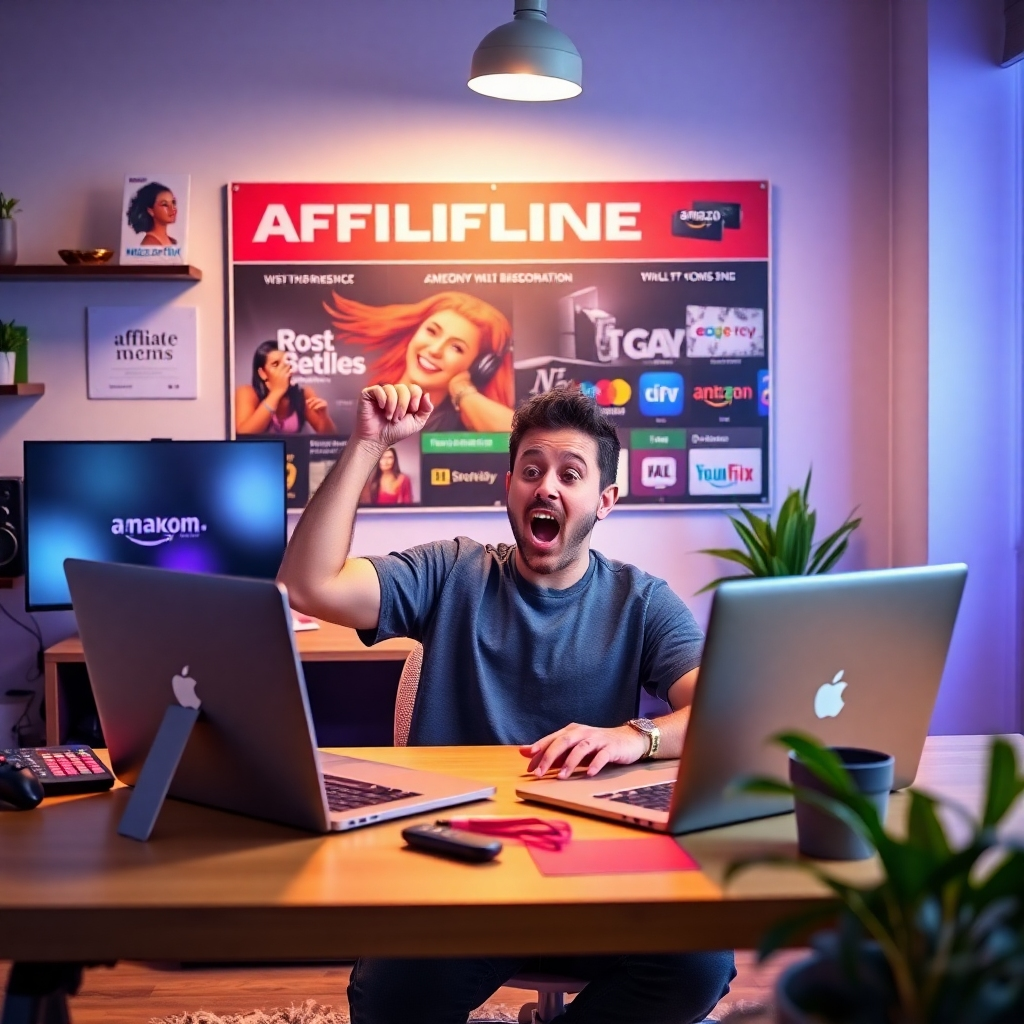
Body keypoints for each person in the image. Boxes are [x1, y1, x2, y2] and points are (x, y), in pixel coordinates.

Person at [278, 382, 735, 1024]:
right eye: (532, 470)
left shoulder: (642, 601)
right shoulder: (450, 571)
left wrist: (639, 736)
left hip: (596, 872)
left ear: (604, 501)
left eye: (570, 474)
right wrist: (366, 444)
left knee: (699, 966)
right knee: (386, 1000)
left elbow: (724, 710)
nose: (547, 486)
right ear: (510, 487)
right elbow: (308, 584)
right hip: (457, 873)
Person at [323, 290, 514, 432]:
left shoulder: (460, 427)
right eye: (431, 331)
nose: (435, 350)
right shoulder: (361, 405)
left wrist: (463, 390)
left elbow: (518, 437)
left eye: (456, 347)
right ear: (415, 333)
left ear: (477, 366)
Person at [235, 340, 337, 435]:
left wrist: (324, 416)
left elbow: (330, 439)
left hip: (294, 454)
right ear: (262, 373)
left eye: (287, 362)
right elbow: (244, 434)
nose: (284, 368)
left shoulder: (302, 394)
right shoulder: (247, 392)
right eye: (275, 364)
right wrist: (276, 392)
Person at [126, 182, 179, 247]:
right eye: (165, 204)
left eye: (173, 203)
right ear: (151, 211)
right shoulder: (149, 244)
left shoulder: (173, 241)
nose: (172, 209)